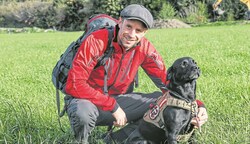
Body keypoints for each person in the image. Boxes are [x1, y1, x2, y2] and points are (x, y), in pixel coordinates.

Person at [63, 4, 208, 144]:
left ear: (145, 33)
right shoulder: (96, 40)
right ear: (120, 22)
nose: (132, 35)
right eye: (128, 27)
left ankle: (116, 139)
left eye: (138, 30)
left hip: (119, 99)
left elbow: (168, 82)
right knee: (82, 112)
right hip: (86, 101)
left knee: (161, 103)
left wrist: (195, 106)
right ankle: (81, 140)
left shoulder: (145, 48)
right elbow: (74, 84)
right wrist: (112, 106)